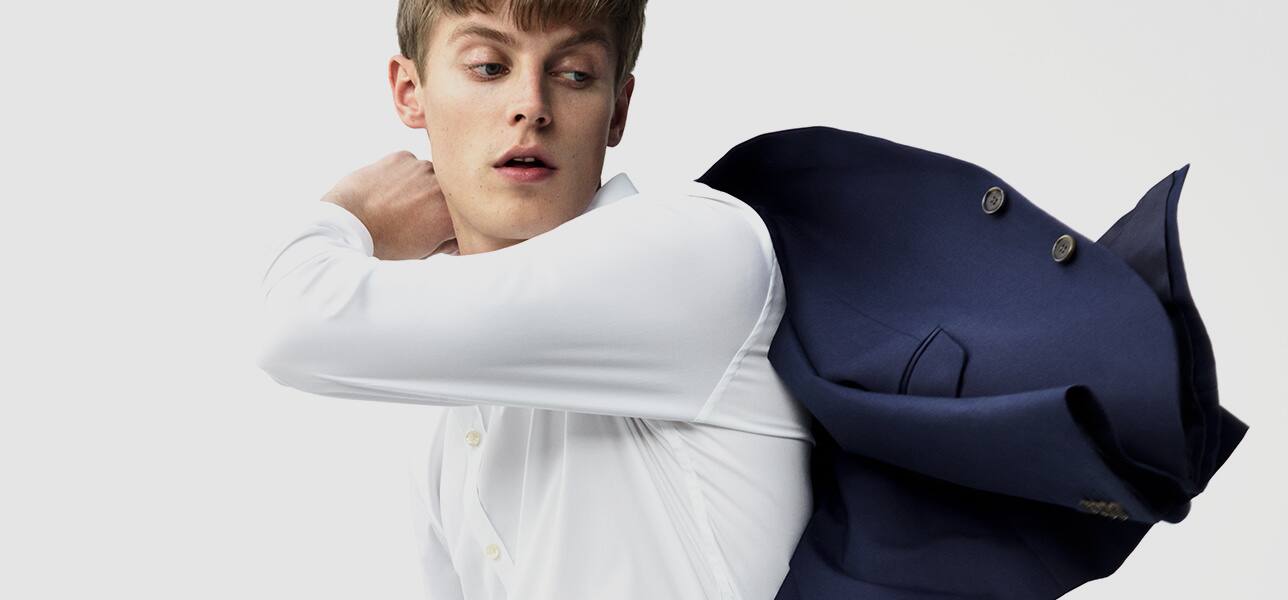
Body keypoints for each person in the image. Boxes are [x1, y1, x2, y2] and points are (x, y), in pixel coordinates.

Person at [253, 1, 814, 598]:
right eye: (489, 67)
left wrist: (351, 216)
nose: (531, 106)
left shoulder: (690, 251)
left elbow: (292, 329)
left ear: (618, 109)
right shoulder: (450, 416)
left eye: (574, 74)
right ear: (410, 91)